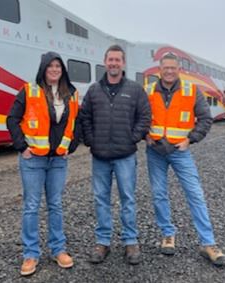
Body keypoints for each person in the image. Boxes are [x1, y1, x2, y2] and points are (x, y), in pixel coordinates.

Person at [144, 52, 225, 266]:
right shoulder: (148, 91)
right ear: (159, 69)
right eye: (165, 68)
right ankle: (167, 234)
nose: (169, 71)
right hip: (155, 151)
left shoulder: (191, 91)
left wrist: (191, 140)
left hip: (180, 151)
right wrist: (144, 135)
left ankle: (208, 243)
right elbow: (139, 117)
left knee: (195, 194)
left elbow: (206, 119)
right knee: (159, 194)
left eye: (173, 68)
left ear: (178, 69)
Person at [6, 51, 80, 276]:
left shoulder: (72, 93)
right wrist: (22, 147)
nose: (55, 69)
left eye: (58, 66)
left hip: (58, 160)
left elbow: (78, 122)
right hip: (34, 159)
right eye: (51, 66)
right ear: (44, 69)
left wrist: (71, 147)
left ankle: (59, 250)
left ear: (62, 69)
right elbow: (12, 119)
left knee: (55, 205)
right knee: (31, 206)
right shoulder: (29, 90)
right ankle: (30, 254)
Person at [81, 45, 151, 265]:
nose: (113, 63)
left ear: (123, 63)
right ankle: (103, 242)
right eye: (110, 59)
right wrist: (92, 140)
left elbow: (145, 116)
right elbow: (85, 118)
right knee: (101, 199)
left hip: (125, 155)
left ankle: (130, 241)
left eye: (117, 60)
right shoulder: (94, 90)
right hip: (100, 156)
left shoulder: (135, 89)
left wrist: (133, 137)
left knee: (127, 199)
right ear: (105, 62)